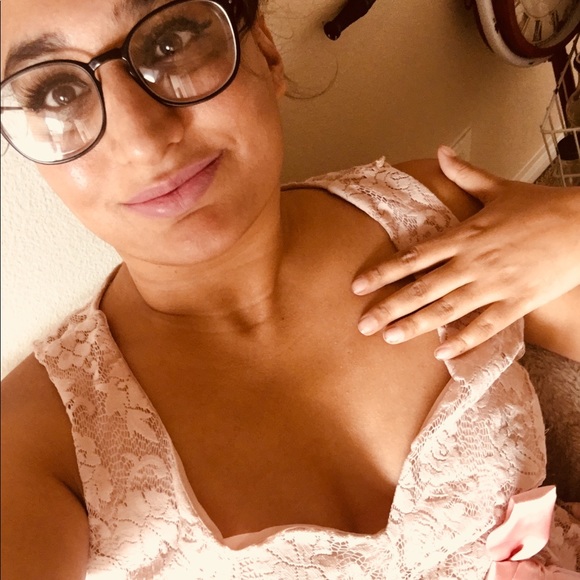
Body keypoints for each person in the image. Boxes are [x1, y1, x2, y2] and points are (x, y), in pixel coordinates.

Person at [1, 0, 579, 578]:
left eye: (169, 42)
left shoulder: (435, 212)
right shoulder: (32, 444)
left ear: (267, 51)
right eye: (57, 93)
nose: (143, 142)